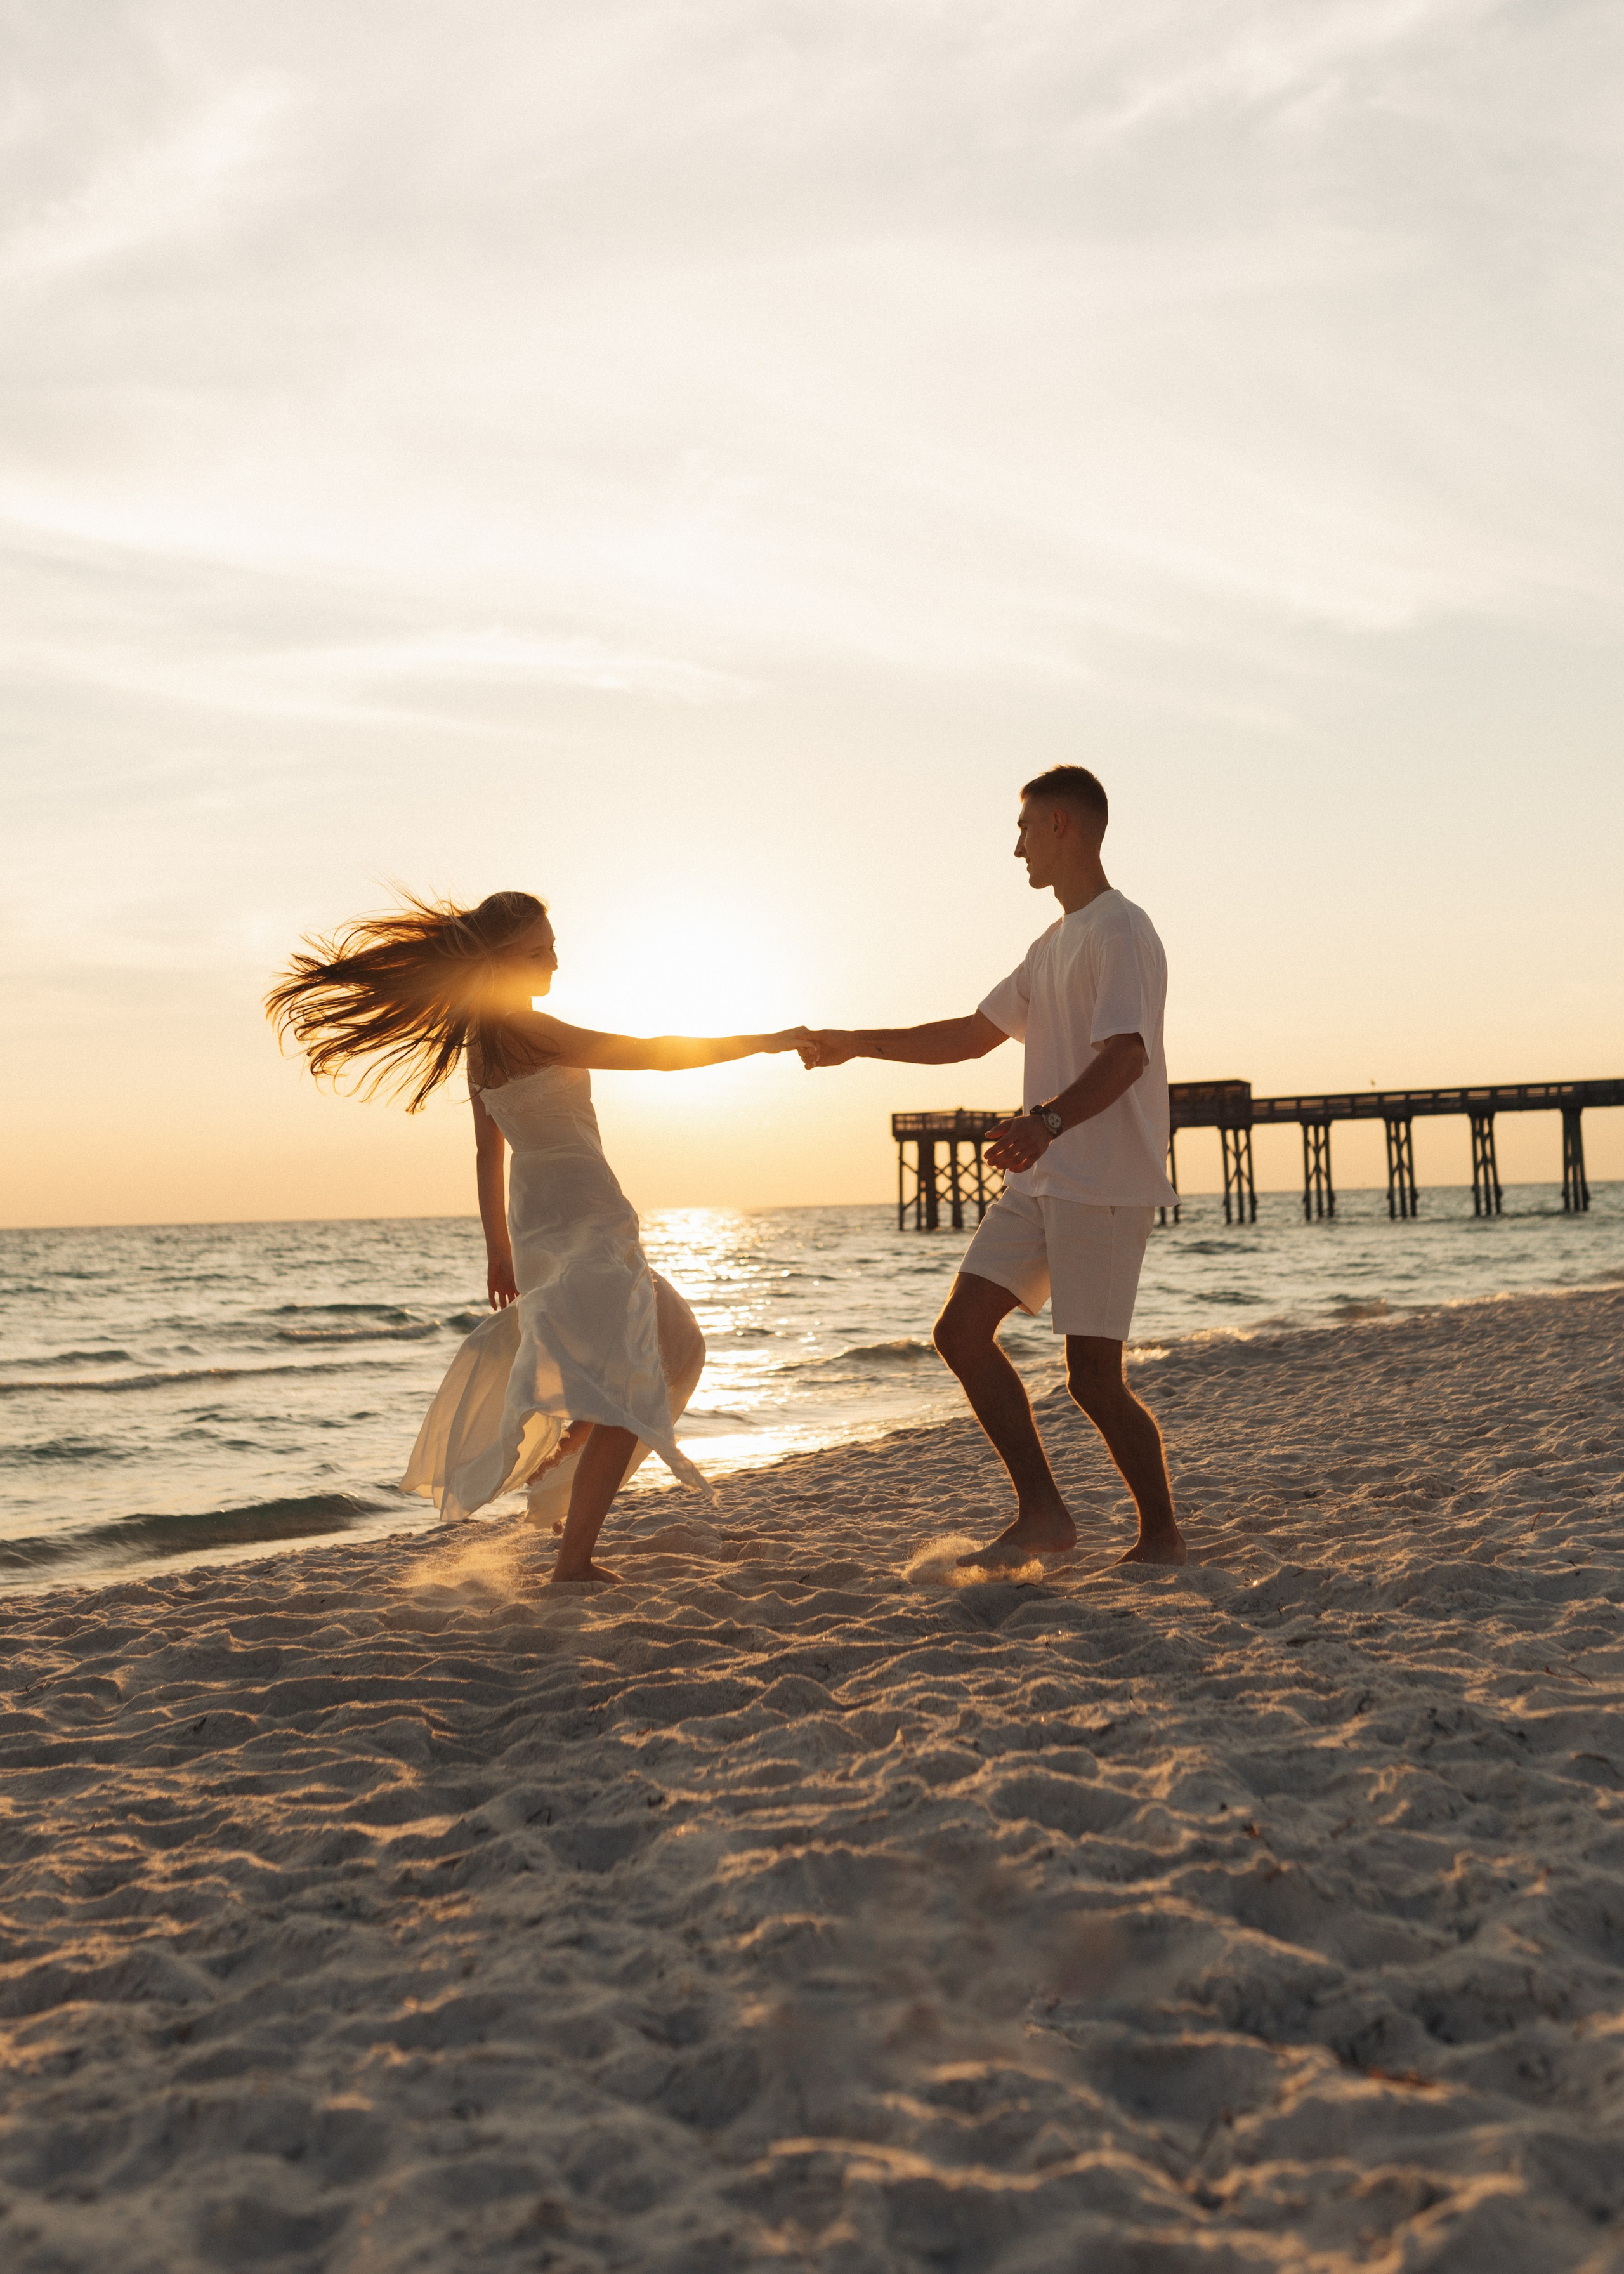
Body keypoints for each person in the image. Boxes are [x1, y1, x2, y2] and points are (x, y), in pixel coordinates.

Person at [267, 890, 807, 1584]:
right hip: (583, 1210)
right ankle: (573, 1556)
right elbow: (654, 1056)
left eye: (552, 947)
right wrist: (769, 1039)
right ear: (500, 962)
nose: (553, 961)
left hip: (542, 1218)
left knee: (673, 1342)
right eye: (537, 952)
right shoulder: (528, 1032)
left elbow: (486, 1154)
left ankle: (569, 1454)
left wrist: (499, 1250)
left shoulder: (480, 1043)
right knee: (645, 1370)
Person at [801, 766, 1186, 1569]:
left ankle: (1162, 1536)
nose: (1016, 849)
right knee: (961, 1332)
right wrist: (853, 1044)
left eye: (1023, 828)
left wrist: (1045, 1121)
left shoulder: (1120, 929)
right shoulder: (1051, 943)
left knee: (1092, 1378)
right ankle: (1043, 1513)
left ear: (1060, 825)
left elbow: (1127, 1055)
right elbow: (973, 1035)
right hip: (1040, 1181)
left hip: (1101, 1181)